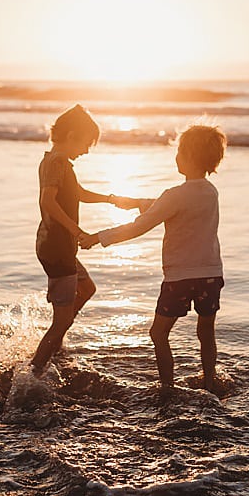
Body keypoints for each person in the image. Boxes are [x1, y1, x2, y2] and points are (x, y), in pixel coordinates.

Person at [94, 123, 228, 395]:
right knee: (206, 334)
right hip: (211, 274)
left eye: (179, 151)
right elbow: (178, 204)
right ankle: (211, 384)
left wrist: (100, 237)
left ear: (188, 156)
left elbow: (141, 226)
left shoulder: (174, 195)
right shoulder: (210, 192)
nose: (175, 156)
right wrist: (137, 201)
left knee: (158, 334)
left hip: (179, 278)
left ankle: (167, 387)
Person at [30, 105, 144, 374]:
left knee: (87, 289)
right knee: (61, 320)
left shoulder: (57, 162)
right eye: (85, 143)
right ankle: (33, 372)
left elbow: (77, 192)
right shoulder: (56, 162)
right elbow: (48, 201)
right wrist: (76, 231)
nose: (86, 150)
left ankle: (56, 340)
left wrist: (110, 199)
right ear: (71, 136)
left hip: (59, 247)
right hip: (57, 248)